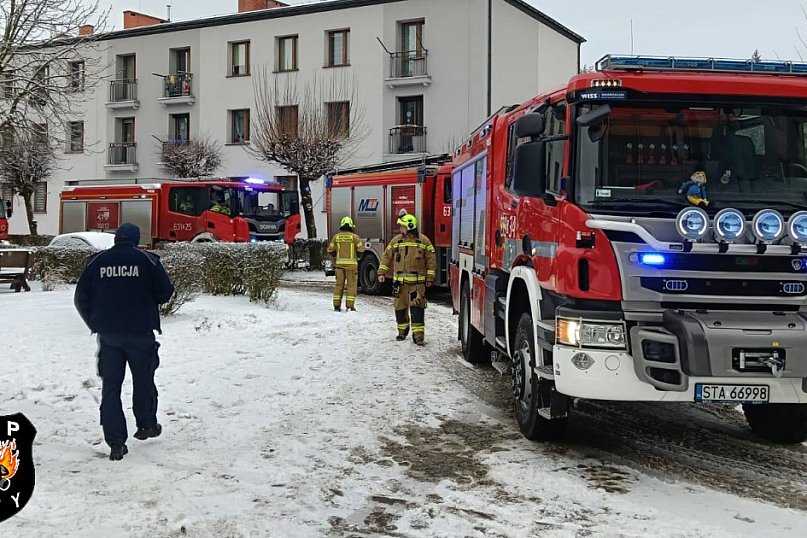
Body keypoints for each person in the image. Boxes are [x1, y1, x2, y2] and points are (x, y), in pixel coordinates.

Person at [74, 223, 174, 461]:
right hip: (140, 333)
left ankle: (116, 443)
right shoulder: (148, 261)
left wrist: (95, 323)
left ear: (116, 239)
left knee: (111, 389)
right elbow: (164, 293)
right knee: (144, 380)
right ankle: (146, 425)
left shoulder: (96, 262)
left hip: (109, 336)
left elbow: (81, 298)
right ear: (136, 239)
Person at [377, 214, 436, 345]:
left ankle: (418, 336)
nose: (400, 228)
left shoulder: (424, 241)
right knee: (399, 308)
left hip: (417, 284)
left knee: (417, 310)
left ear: (409, 227)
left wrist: (430, 278)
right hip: (400, 285)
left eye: (402, 226)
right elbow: (386, 256)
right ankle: (402, 332)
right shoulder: (396, 241)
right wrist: (382, 272)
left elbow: (431, 260)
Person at [328, 216, 364, 311]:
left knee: (339, 285)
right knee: (351, 286)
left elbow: (330, 251)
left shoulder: (336, 237)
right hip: (352, 267)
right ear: (351, 226)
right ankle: (350, 306)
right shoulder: (355, 238)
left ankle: (336, 305)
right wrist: (358, 259)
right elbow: (360, 251)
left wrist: (335, 261)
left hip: (339, 266)